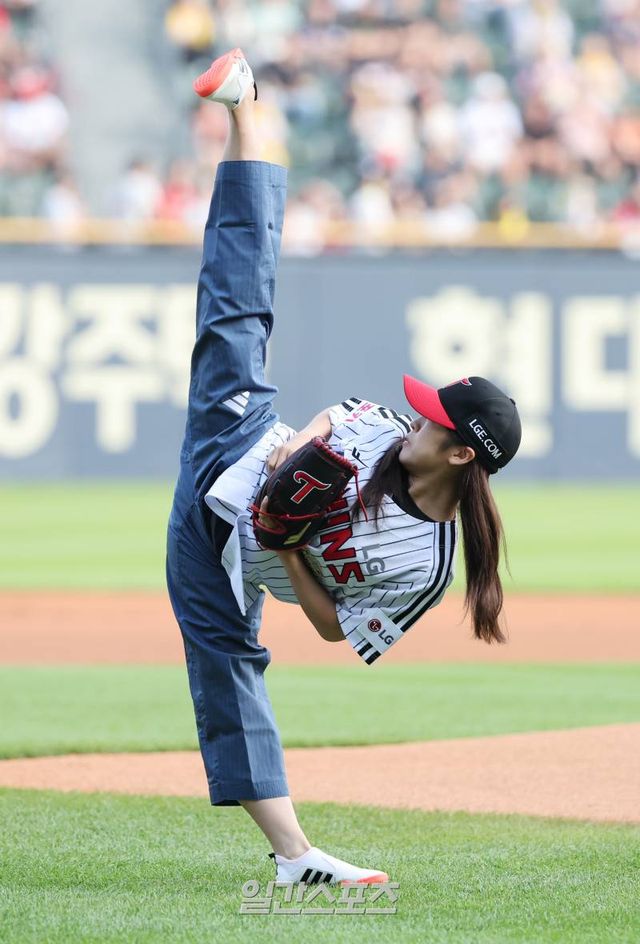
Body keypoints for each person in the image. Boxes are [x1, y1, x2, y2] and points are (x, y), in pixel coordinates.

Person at [166, 48, 522, 887]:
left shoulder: (424, 569)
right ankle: (247, 109)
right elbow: (337, 417)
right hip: (236, 439)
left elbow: (334, 629)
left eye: (436, 419)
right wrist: (296, 449)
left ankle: (294, 859)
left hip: (219, 558)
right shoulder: (389, 428)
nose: (417, 414)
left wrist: (287, 546)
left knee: (226, 665)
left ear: (461, 453)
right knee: (237, 302)